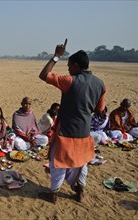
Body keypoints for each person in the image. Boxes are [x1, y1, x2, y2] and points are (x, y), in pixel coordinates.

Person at [38, 39, 106, 203]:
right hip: (84, 132)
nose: (68, 69)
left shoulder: (70, 81)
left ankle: (54, 193)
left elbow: (44, 75)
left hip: (66, 132)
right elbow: (100, 110)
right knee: (81, 163)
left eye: (69, 65)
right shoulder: (100, 84)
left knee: (58, 162)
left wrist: (56, 56)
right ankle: (80, 192)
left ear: (76, 65)